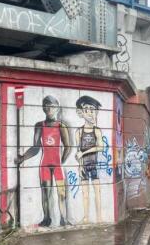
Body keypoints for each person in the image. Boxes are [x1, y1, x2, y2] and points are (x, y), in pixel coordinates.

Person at [17, 95, 70, 226]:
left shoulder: (61, 126)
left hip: (57, 165)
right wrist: (22, 158)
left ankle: (64, 219)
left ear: (56, 108)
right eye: (46, 105)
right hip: (44, 164)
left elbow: (68, 146)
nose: (48, 108)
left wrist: (61, 161)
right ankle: (47, 219)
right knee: (45, 193)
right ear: (43, 108)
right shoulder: (39, 126)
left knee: (61, 193)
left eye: (51, 105)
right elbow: (36, 148)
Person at [75, 96, 104, 224]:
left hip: (94, 165)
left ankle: (99, 217)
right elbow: (77, 151)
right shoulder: (79, 132)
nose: (90, 112)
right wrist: (80, 166)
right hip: (84, 166)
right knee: (85, 193)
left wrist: (84, 152)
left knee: (97, 193)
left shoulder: (97, 131)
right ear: (82, 112)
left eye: (93, 110)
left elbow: (100, 147)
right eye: (87, 109)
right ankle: (86, 217)